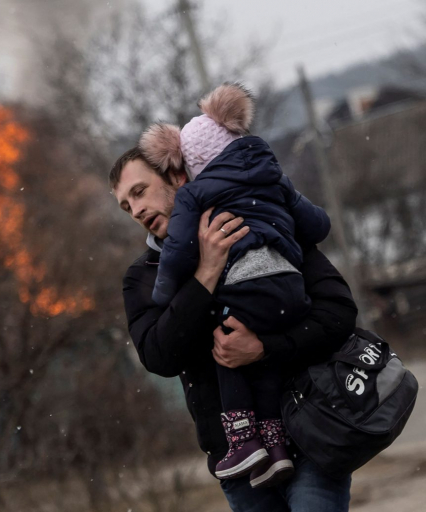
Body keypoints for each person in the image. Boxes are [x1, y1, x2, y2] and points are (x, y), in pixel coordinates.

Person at [111, 146, 357, 511]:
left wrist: (266, 347)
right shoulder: (145, 275)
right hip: (239, 460)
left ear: (177, 178)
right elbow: (159, 355)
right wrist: (206, 273)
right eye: (125, 206)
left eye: (139, 191)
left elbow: (338, 312)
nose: (136, 210)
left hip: (310, 436)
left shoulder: (260, 220)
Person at [137, 83, 332, 485]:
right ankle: (275, 444)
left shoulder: (195, 194)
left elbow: (177, 250)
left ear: (185, 166)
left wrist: (164, 290)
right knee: (258, 352)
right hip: (291, 291)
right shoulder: (274, 178)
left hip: (247, 288)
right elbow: (318, 224)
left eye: (139, 194)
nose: (136, 209)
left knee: (224, 340)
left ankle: (245, 441)